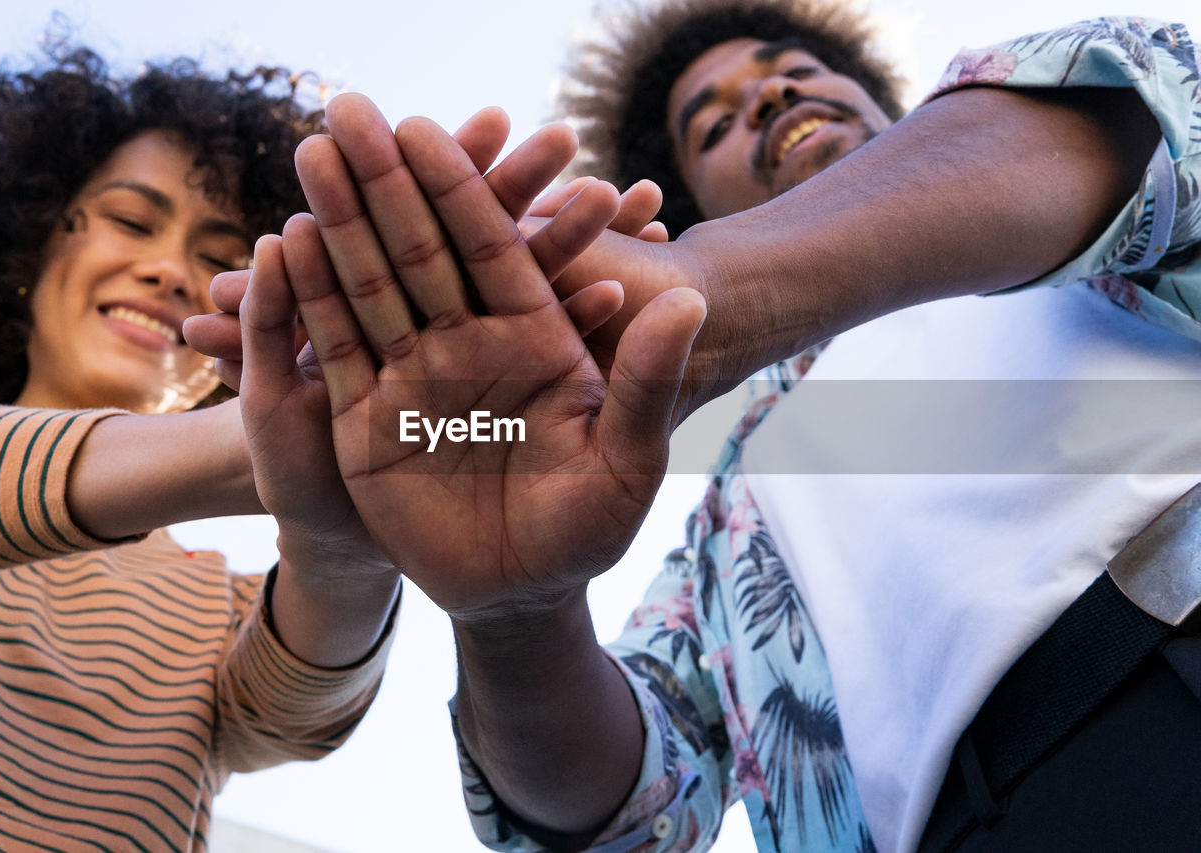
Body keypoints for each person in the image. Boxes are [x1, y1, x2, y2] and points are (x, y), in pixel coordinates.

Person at [207, 1, 1199, 851]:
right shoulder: (727, 507)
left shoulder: (1077, 200)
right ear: (688, 201)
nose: (765, 98)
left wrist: (715, 286)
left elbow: (1151, 108)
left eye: (790, 70)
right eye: (712, 123)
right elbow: (627, 816)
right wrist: (513, 613)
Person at [0, 40, 409, 849]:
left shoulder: (221, 609)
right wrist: (246, 446)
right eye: (129, 219)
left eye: (222, 261)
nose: (170, 271)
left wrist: (354, 515)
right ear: (33, 243)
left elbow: (298, 712)